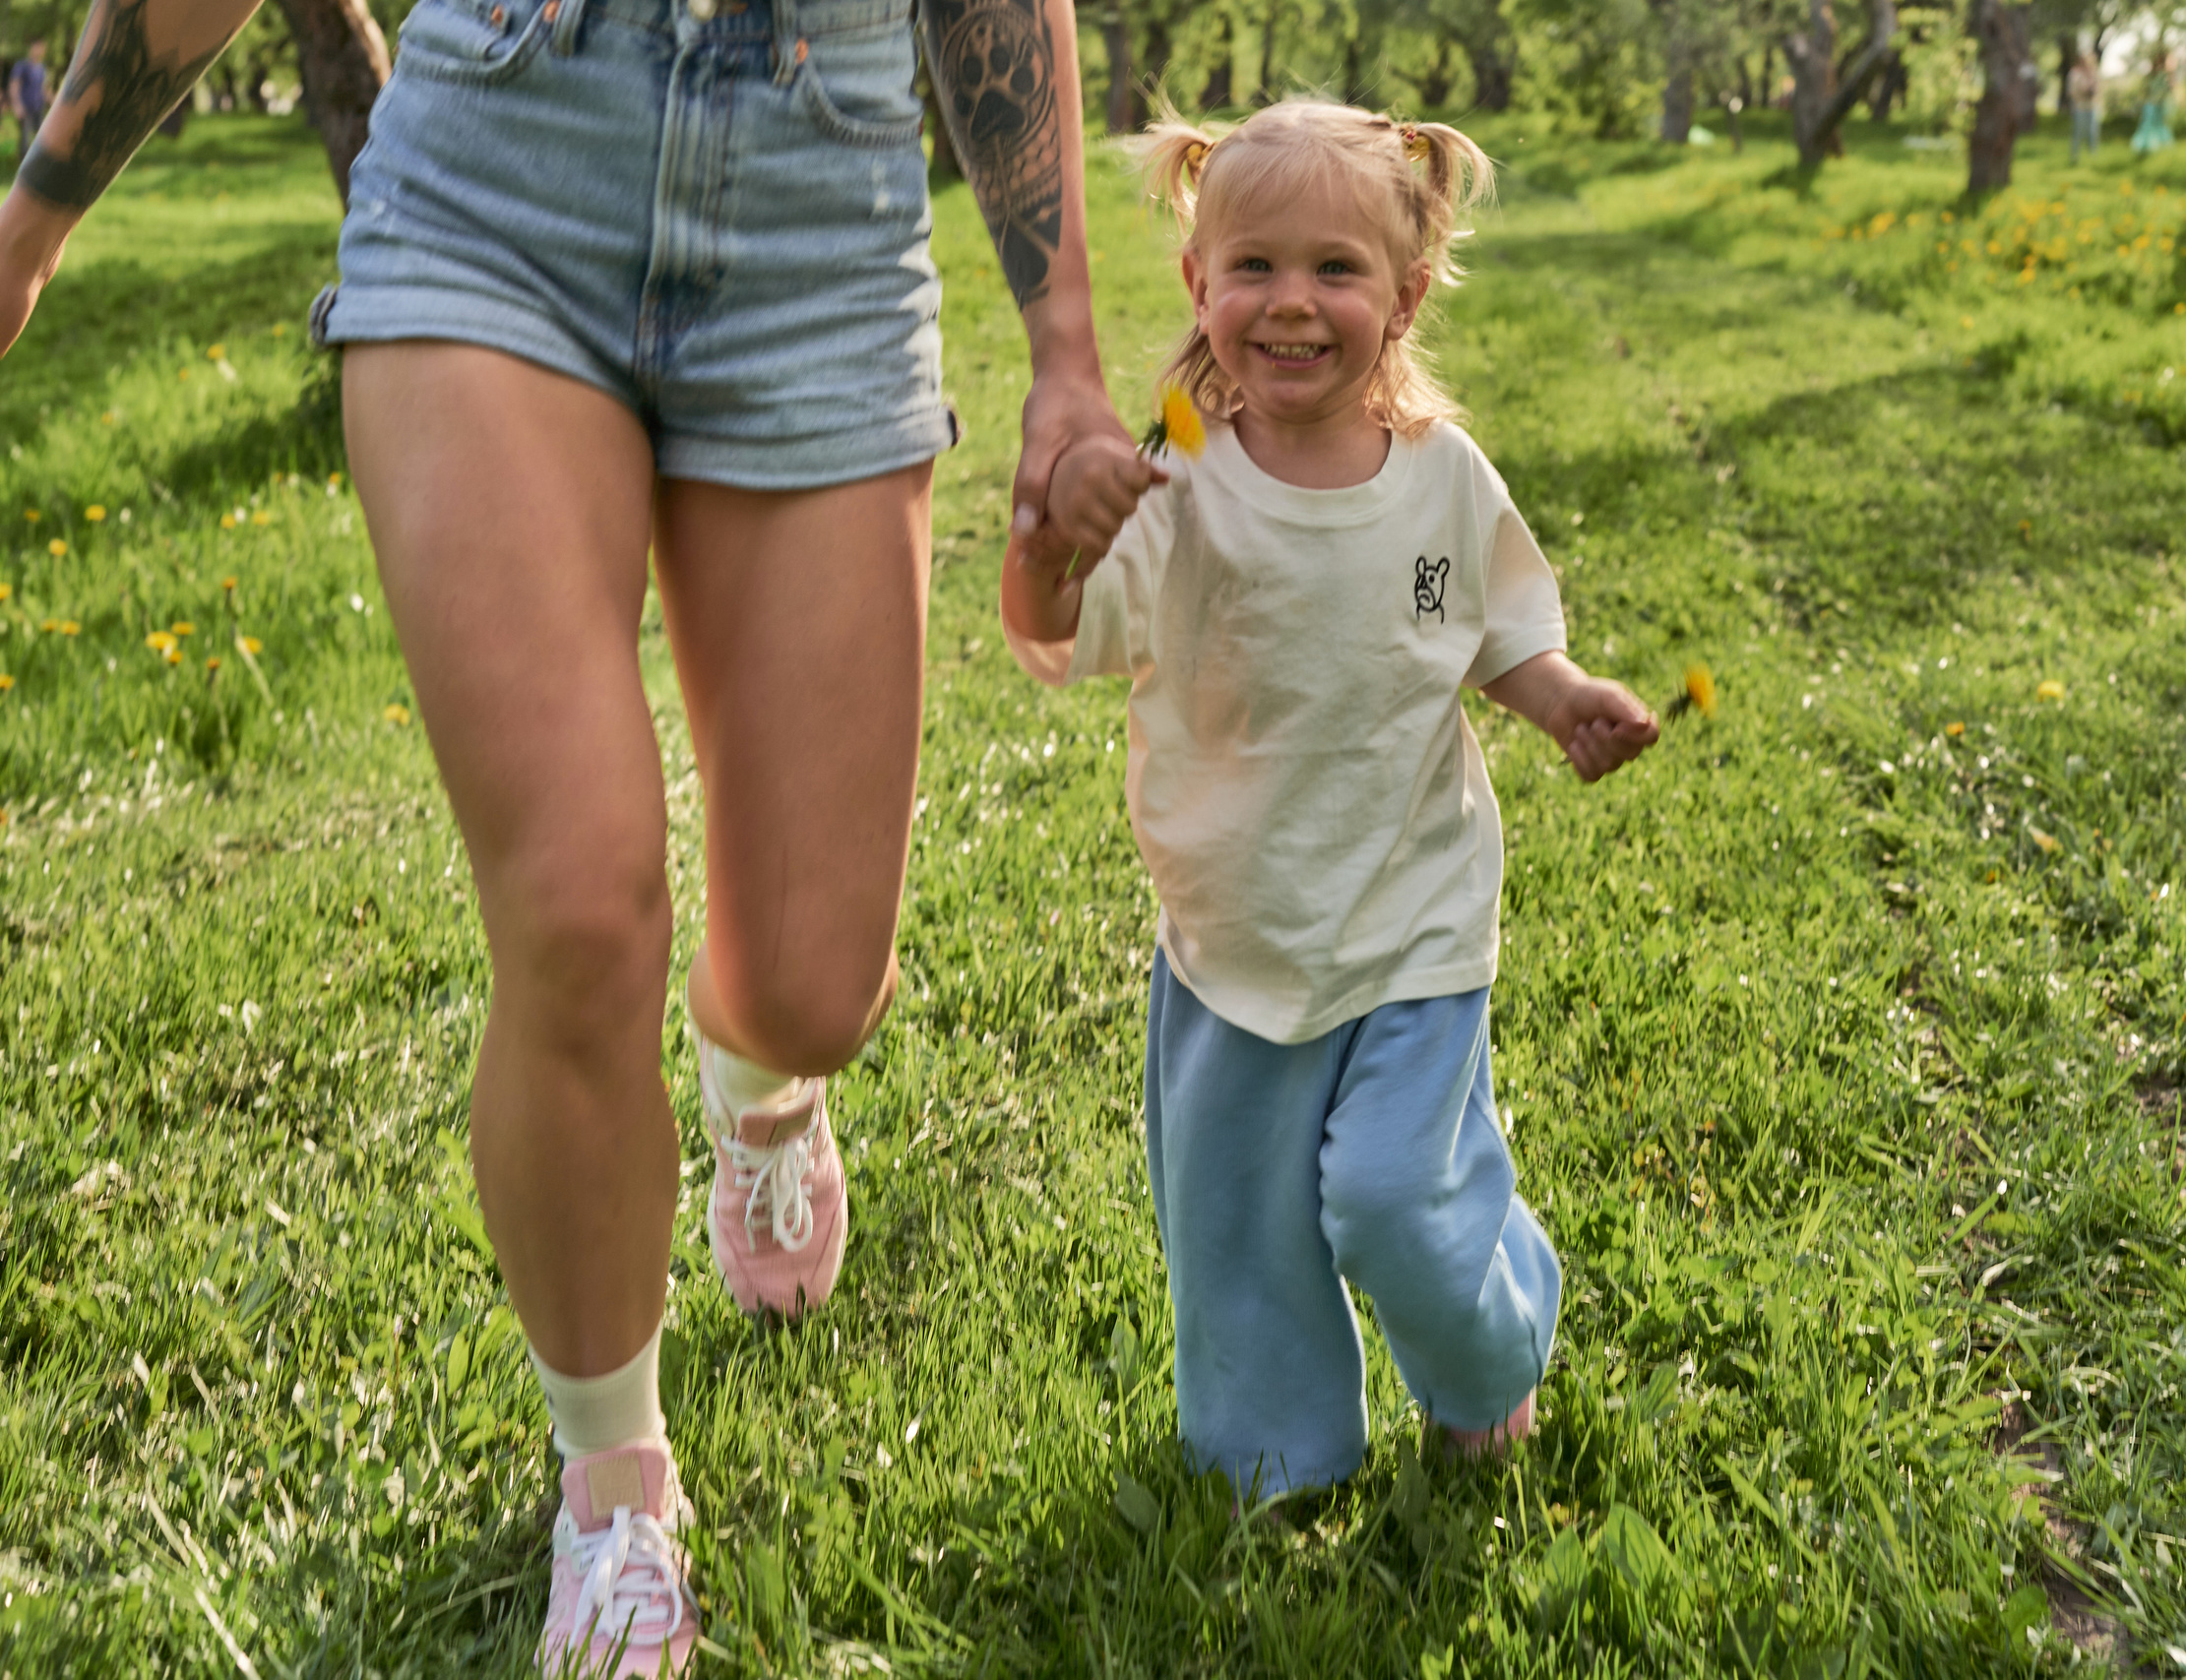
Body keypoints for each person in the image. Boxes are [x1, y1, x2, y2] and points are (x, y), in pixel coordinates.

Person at [0, 0, 1131, 1670]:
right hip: (495, 187)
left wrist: (1065, 352)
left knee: (818, 983)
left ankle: (765, 1086)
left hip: (818, 209)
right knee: (582, 908)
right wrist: (29, 223)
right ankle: (613, 1482)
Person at [1001, 99, 1659, 1501]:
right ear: (1198, 283)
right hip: (1238, 933)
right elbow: (1064, 625)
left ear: (1406, 293)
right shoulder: (1176, 475)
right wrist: (1055, 533)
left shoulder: (1439, 477)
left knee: (1389, 1196)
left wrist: (1561, 694)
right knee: (1236, 1227)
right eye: (1253, 268)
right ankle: (1273, 1450)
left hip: (1414, 924)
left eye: (1336, 270)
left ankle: (1491, 1350)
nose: (1291, 303)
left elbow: (1490, 629)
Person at [2132, 51, 2176, 155]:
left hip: (2160, 105)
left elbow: (2169, 89)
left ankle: (2161, 148)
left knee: (2159, 126)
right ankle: (2145, 148)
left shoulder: (2166, 75)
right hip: (2151, 104)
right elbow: (2146, 90)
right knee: (2147, 125)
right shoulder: (2151, 75)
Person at [7, 42, 44, 155]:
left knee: (42, 135)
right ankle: (24, 168)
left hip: (38, 107)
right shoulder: (22, 65)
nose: (40, 51)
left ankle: (38, 162)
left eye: (42, 48)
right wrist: (17, 105)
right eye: (38, 47)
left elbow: (42, 88)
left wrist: (55, 99)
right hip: (25, 107)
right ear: (31, 48)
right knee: (25, 139)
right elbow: (14, 85)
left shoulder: (41, 68)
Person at [2068, 51, 2100, 164]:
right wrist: (2083, 92)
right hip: (2080, 106)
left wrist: (2092, 90)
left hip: (2092, 105)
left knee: (2093, 131)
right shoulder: (2074, 73)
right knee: (2078, 131)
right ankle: (2074, 156)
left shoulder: (2093, 73)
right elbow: (2072, 90)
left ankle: (2093, 156)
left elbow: (2098, 88)